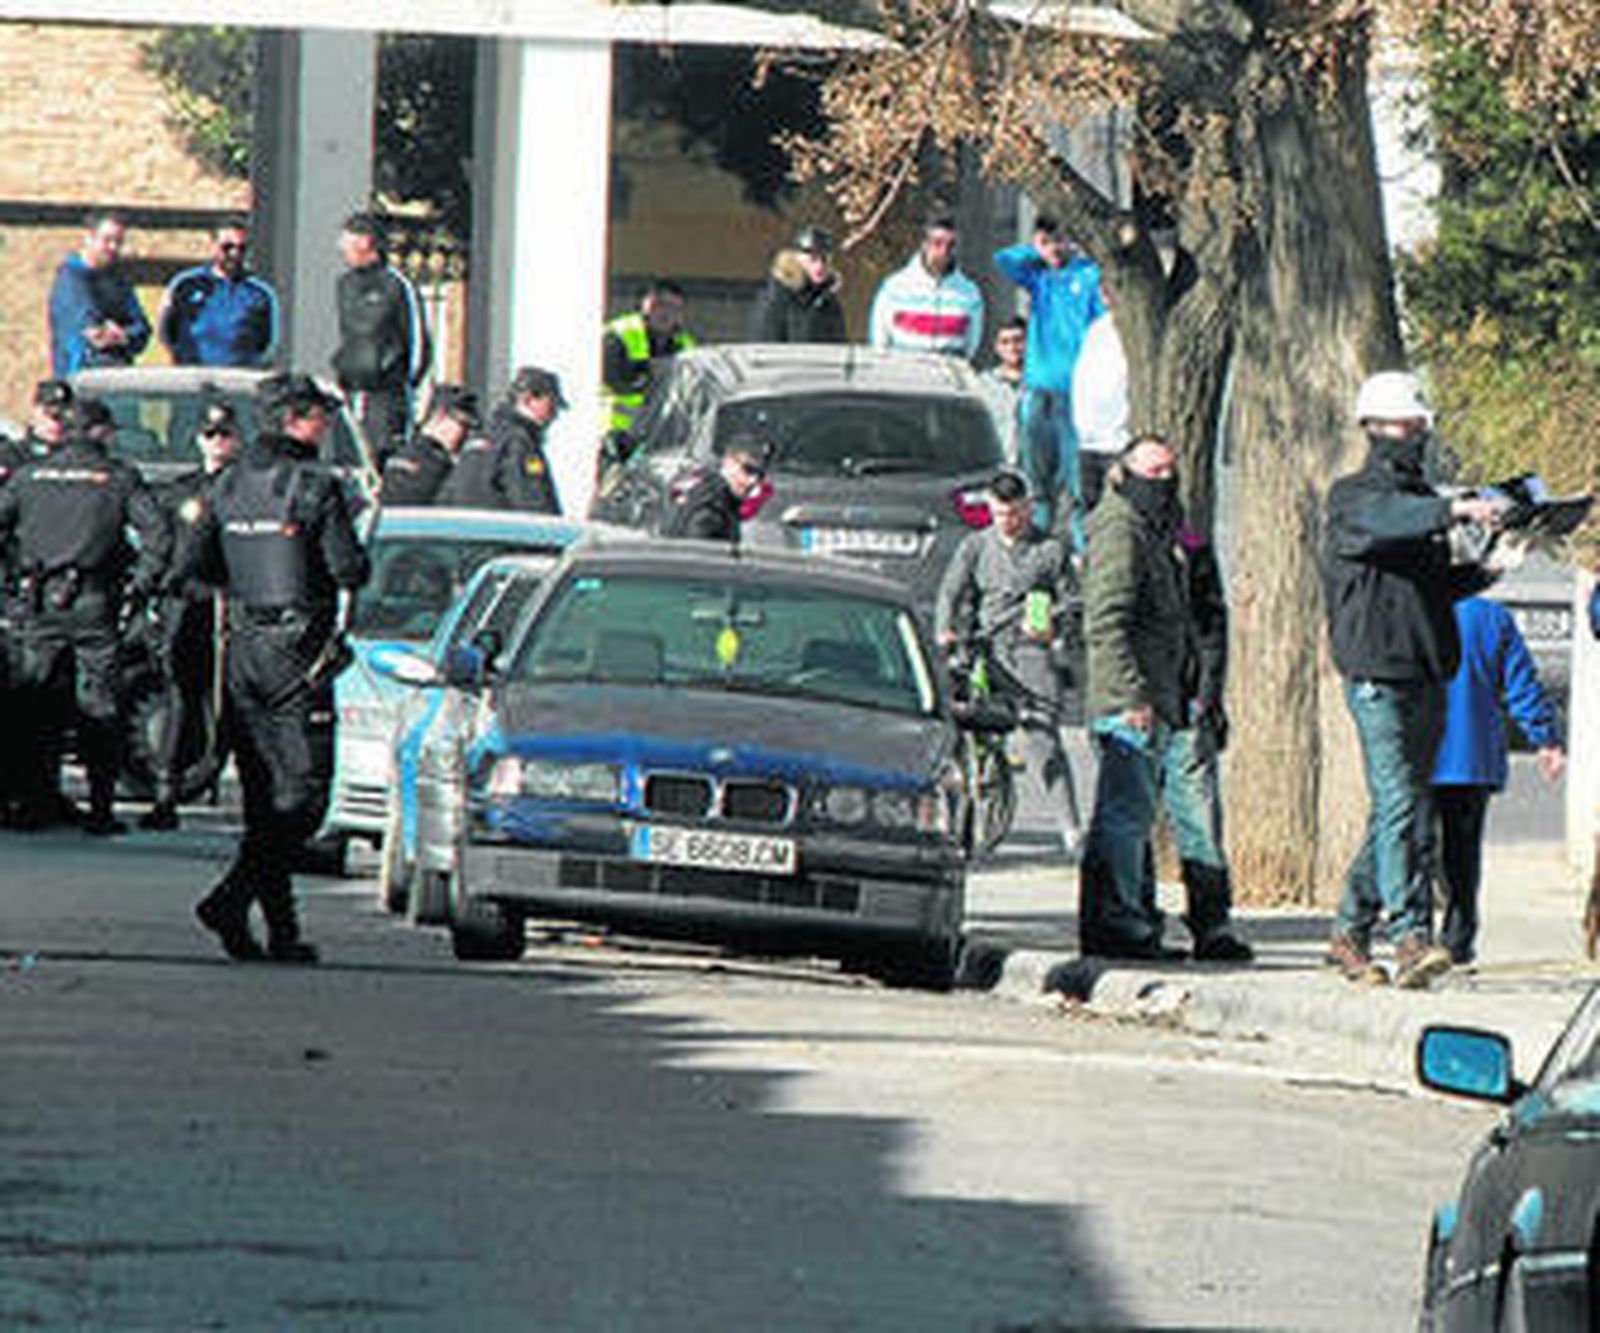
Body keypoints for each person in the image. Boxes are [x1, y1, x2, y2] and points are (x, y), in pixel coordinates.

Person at [1323, 370, 1509, 989]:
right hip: (1376, 675)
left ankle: (1349, 931)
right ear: (1373, 428)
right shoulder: (1354, 499)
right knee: (1403, 804)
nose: (1419, 434)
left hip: (1428, 671)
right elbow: (1387, 519)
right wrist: (1454, 508)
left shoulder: (1418, 507)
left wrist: (1491, 563)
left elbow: (1434, 584)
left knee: (1401, 809)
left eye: (1422, 425)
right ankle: (1408, 937)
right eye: (1409, 425)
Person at [177, 373, 369, 963]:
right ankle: (231, 900)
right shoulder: (316, 486)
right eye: (321, 417)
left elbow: (192, 565)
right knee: (305, 797)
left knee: (264, 797)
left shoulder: (226, 484)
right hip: (297, 652)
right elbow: (349, 571)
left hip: (242, 647)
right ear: (295, 420)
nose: (328, 426)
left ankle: (278, 931)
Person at [0, 396, 170, 836]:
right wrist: (141, 585)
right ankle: (99, 808)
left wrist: (9, 586)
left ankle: (33, 803)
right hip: (95, 603)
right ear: (99, 432)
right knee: (100, 704)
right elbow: (158, 534)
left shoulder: (28, 477)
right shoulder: (116, 478)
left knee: (33, 704)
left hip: (38, 602)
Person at [1076, 435, 1194, 960]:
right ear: (1125, 473)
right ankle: (1118, 923)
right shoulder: (1121, 528)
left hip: (1155, 694)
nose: (1164, 482)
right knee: (1123, 820)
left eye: (1171, 471)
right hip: (1129, 701)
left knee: (1133, 819)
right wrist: (1130, 694)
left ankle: (1134, 920)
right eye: (1154, 472)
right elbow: (1105, 619)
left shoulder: (1151, 527)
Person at [935, 468, 1083, 858]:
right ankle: (962, 815)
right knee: (962, 728)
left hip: (1030, 649)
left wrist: (1052, 620)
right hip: (987, 647)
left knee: (1043, 738)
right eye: (1001, 514)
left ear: (1028, 508)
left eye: (1016, 513)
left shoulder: (1049, 549)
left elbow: (1073, 599)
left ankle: (1070, 828)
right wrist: (946, 631)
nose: (1009, 522)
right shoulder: (976, 545)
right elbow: (951, 591)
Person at [1429, 596, 1565, 966]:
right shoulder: (1491, 617)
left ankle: (1415, 938)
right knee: (1463, 855)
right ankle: (1457, 941)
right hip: (1471, 755)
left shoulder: (1417, 603)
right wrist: (1546, 738)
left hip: (1419, 752)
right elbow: (1521, 682)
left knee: (1413, 849)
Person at [1145, 524, 1254, 962]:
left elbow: (1212, 626)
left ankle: (1212, 921)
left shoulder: (1192, 546)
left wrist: (1208, 697)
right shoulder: (1117, 540)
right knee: (1132, 823)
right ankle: (1135, 919)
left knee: (1199, 818)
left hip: (1188, 703)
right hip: (1137, 706)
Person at [139, 401, 242, 831]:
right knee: (183, 699)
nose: (217, 443)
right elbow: (165, 549)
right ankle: (167, 791)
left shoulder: (246, 489)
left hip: (234, 605)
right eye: (210, 435)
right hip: (190, 606)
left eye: (225, 435)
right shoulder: (181, 491)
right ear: (198, 440)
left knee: (237, 703)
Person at [993, 216, 1108, 545]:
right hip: (1037, 392)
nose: (1054, 249)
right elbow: (1002, 260)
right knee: (1036, 483)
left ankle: (1079, 554)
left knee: (1076, 486)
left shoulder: (1087, 274)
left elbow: (1101, 320)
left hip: (1074, 396)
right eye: (1047, 242)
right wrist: (1035, 250)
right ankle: (1036, 551)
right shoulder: (1037, 275)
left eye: (1059, 241)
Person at [331, 212, 432, 464]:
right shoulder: (345, 284)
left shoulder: (397, 285)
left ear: (365, 242)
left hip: (387, 396)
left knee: (383, 458)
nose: (341, 248)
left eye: (347, 241)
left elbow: (418, 343)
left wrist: (404, 383)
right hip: (352, 392)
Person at [157, 219, 279, 368]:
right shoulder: (185, 284)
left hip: (237, 376)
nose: (234, 254)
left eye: (241, 248)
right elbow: (166, 330)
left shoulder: (259, 293)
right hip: (192, 373)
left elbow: (267, 342)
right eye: (227, 247)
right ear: (212, 245)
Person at [47, 209, 151, 379]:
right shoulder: (70, 279)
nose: (113, 247)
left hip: (119, 380)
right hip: (79, 381)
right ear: (88, 237)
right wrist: (115, 334)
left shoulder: (119, 281)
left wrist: (123, 336)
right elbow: (92, 333)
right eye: (107, 240)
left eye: (118, 242)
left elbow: (142, 330)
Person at [869, 210, 985, 360]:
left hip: (950, 376)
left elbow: (971, 346)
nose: (943, 252)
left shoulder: (970, 293)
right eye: (937, 243)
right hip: (904, 375)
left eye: (950, 245)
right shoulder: (894, 288)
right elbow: (879, 343)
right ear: (924, 245)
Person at [602, 280, 695, 442]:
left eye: (674, 308)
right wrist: (649, 371)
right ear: (644, 306)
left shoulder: (685, 344)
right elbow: (614, 378)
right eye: (659, 305)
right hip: (615, 432)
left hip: (659, 435)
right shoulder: (619, 333)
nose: (666, 313)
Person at [380, 384, 480, 507]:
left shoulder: (401, 454)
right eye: (463, 425)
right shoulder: (436, 465)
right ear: (441, 416)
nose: (466, 434)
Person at [659, 437, 771, 542]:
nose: (752, 481)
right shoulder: (713, 506)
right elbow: (697, 555)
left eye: (759, 475)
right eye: (748, 470)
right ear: (729, 462)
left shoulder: (693, 488)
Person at [748, 225, 847, 344]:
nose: (819, 266)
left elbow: (839, 349)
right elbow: (764, 348)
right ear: (797, 258)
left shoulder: (829, 303)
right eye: (812, 259)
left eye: (824, 259)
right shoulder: (775, 299)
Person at [488, 367, 567, 513]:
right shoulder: (519, 442)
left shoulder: (493, 433)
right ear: (528, 399)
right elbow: (530, 500)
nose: (554, 415)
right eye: (551, 405)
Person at [1072, 312, 1130, 514]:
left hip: (1119, 442)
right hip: (1088, 441)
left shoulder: (1132, 328)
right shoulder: (1097, 329)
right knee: (1089, 510)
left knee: (1118, 511)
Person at [977, 317, 1027, 465]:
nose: (1012, 348)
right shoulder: (982, 385)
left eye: (1018, 340)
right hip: (996, 468)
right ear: (996, 347)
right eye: (1005, 342)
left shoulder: (1043, 384)